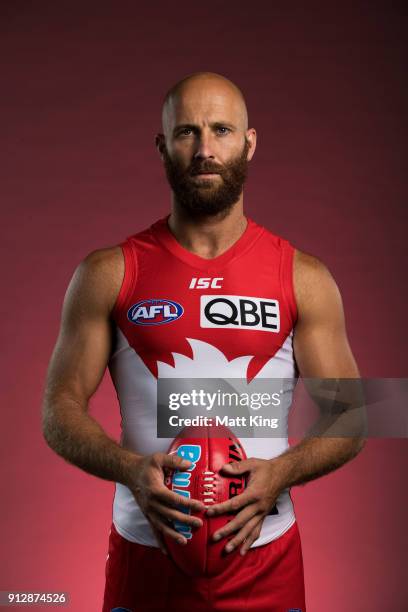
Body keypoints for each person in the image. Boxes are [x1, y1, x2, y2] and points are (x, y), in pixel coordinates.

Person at [42, 71, 365, 612]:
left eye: (222, 130)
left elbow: (357, 413)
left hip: (267, 556)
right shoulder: (107, 271)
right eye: (187, 132)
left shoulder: (304, 275)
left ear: (250, 142)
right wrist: (129, 471)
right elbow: (58, 409)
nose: (206, 149)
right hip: (145, 555)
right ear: (162, 145)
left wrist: (281, 474)